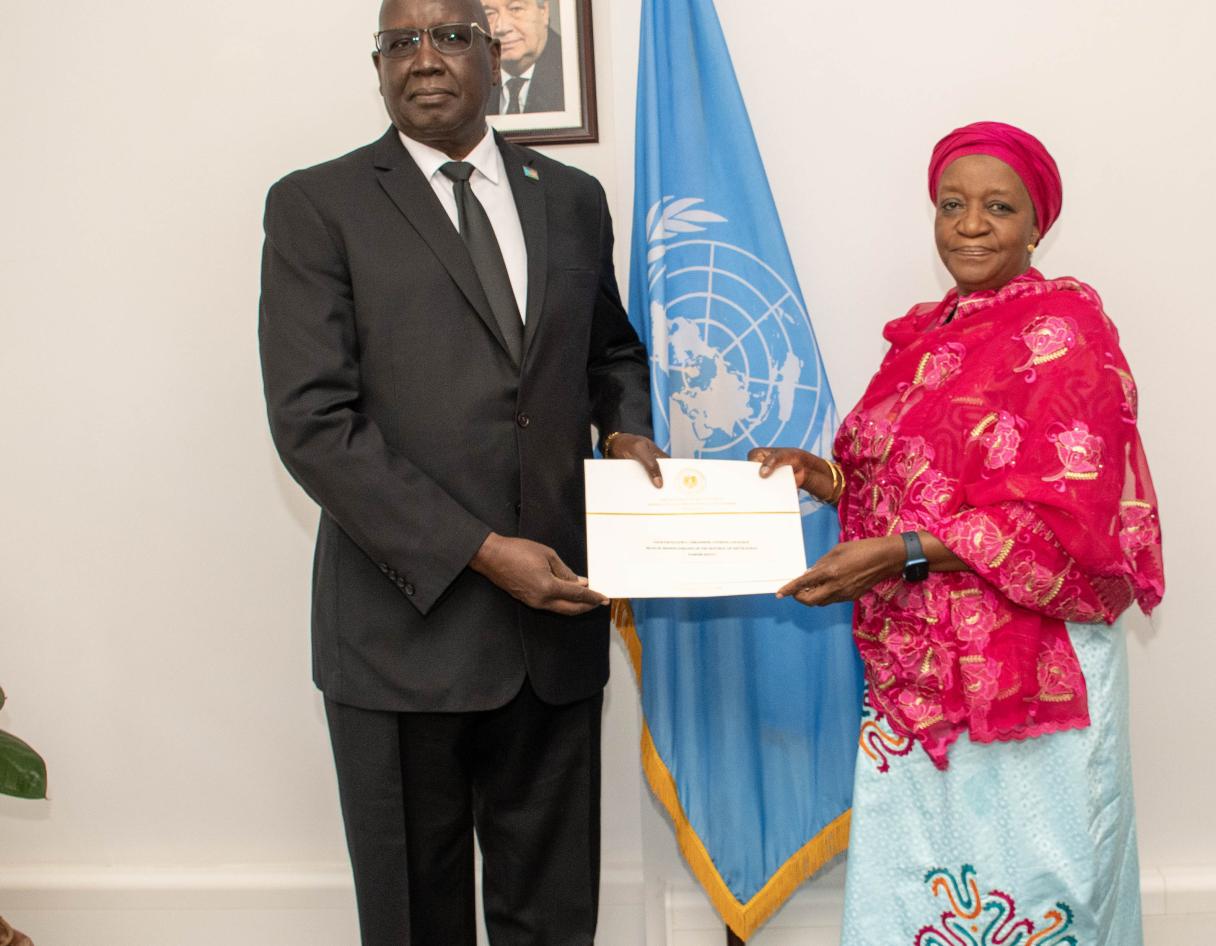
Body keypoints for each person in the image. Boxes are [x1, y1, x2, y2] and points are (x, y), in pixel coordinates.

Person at [257, 0, 665, 941]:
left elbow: (610, 352)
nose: (424, 59)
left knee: (554, 916)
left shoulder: (569, 198)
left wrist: (628, 431)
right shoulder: (317, 205)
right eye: (400, 43)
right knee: (414, 921)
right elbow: (313, 423)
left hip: (554, 631)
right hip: (401, 635)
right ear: (379, 65)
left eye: (448, 36)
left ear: (493, 55)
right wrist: (482, 551)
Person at [750, 121, 1165, 945]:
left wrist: (902, 554)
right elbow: (901, 483)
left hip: (1036, 669)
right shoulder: (926, 339)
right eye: (951, 204)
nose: (970, 224)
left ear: (1037, 223)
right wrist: (824, 476)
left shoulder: (1068, 334)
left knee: (1038, 888)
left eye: (997, 206)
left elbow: (1064, 513)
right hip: (923, 666)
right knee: (919, 887)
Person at [484, 0, 564, 114]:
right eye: (489, 14)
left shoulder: (573, 73)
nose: (501, 27)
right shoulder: (474, 78)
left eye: (515, 9)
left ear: (543, 12)